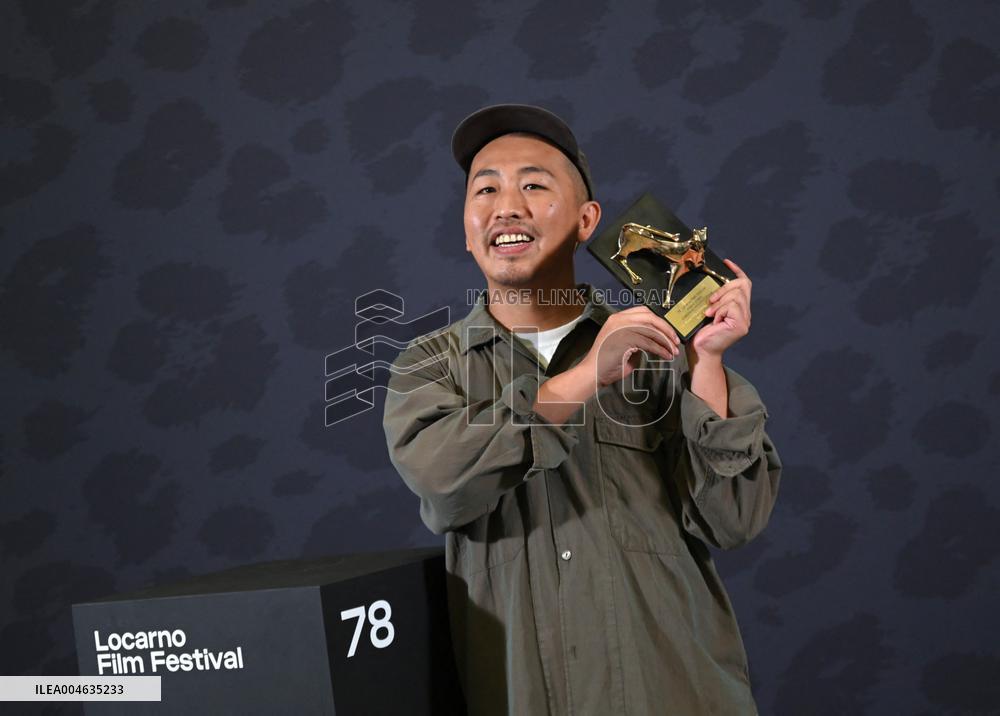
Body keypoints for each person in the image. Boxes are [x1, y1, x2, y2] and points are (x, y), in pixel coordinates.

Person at [382, 104, 782, 715]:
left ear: (586, 219)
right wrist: (587, 376)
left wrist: (706, 361)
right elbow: (445, 480)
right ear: (467, 229)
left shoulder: (661, 350)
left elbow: (735, 519)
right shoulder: (430, 365)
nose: (506, 204)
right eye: (485, 188)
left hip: (678, 694)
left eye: (534, 185)